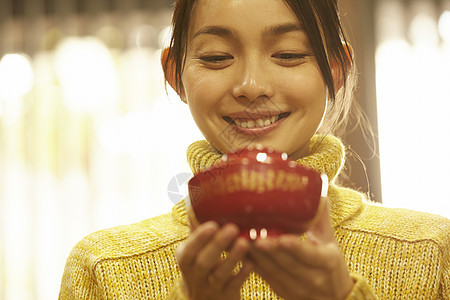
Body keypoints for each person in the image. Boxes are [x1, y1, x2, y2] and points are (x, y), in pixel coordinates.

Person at [59, 0, 450, 299]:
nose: (251, 84)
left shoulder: (431, 251)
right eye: (216, 57)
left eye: (289, 54)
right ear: (175, 74)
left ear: (336, 69)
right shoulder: (104, 269)